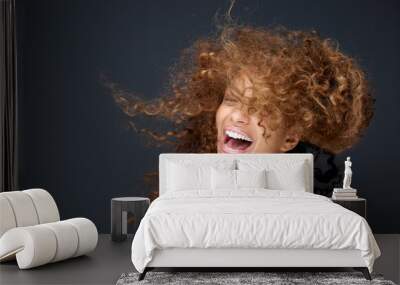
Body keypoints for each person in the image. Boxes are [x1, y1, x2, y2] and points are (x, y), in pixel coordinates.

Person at [104, 20, 374, 197]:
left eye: (260, 108)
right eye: (231, 100)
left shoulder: (314, 199)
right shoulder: (188, 184)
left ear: (290, 138)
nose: (238, 116)